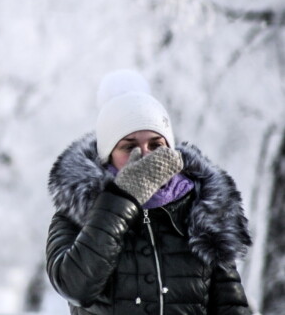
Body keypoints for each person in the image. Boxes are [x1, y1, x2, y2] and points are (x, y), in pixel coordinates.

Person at [46, 70, 252, 315]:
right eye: (129, 146)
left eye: (155, 144)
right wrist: (122, 198)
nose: (145, 154)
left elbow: (230, 306)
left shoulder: (202, 209)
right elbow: (75, 287)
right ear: (107, 154)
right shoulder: (76, 212)